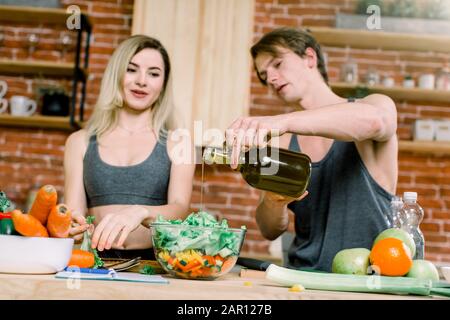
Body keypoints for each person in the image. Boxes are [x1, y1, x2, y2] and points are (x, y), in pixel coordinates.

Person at [226, 27, 398, 272]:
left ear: (310, 58)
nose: (271, 78)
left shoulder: (373, 106)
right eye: (264, 75)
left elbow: (376, 121)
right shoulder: (281, 141)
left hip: (370, 280)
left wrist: (282, 121)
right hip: (303, 278)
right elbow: (269, 229)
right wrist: (275, 203)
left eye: (277, 64)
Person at [64, 35, 195, 259]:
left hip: (157, 266)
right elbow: (73, 213)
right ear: (117, 74)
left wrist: (140, 212)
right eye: (132, 69)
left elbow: (180, 209)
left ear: (163, 84)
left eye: (154, 73)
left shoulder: (178, 142)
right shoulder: (80, 142)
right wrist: (72, 226)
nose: (142, 81)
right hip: (97, 264)